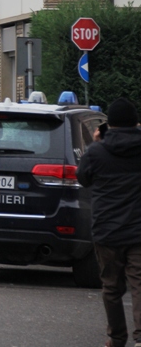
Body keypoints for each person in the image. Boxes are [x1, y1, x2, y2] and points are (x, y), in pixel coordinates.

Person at [77, 98, 141, 347]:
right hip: (138, 230)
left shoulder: (97, 151)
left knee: (112, 287)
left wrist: (95, 144)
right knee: (139, 284)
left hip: (107, 230)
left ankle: (116, 338)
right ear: (135, 122)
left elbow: (83, 178)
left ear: (108, 125)